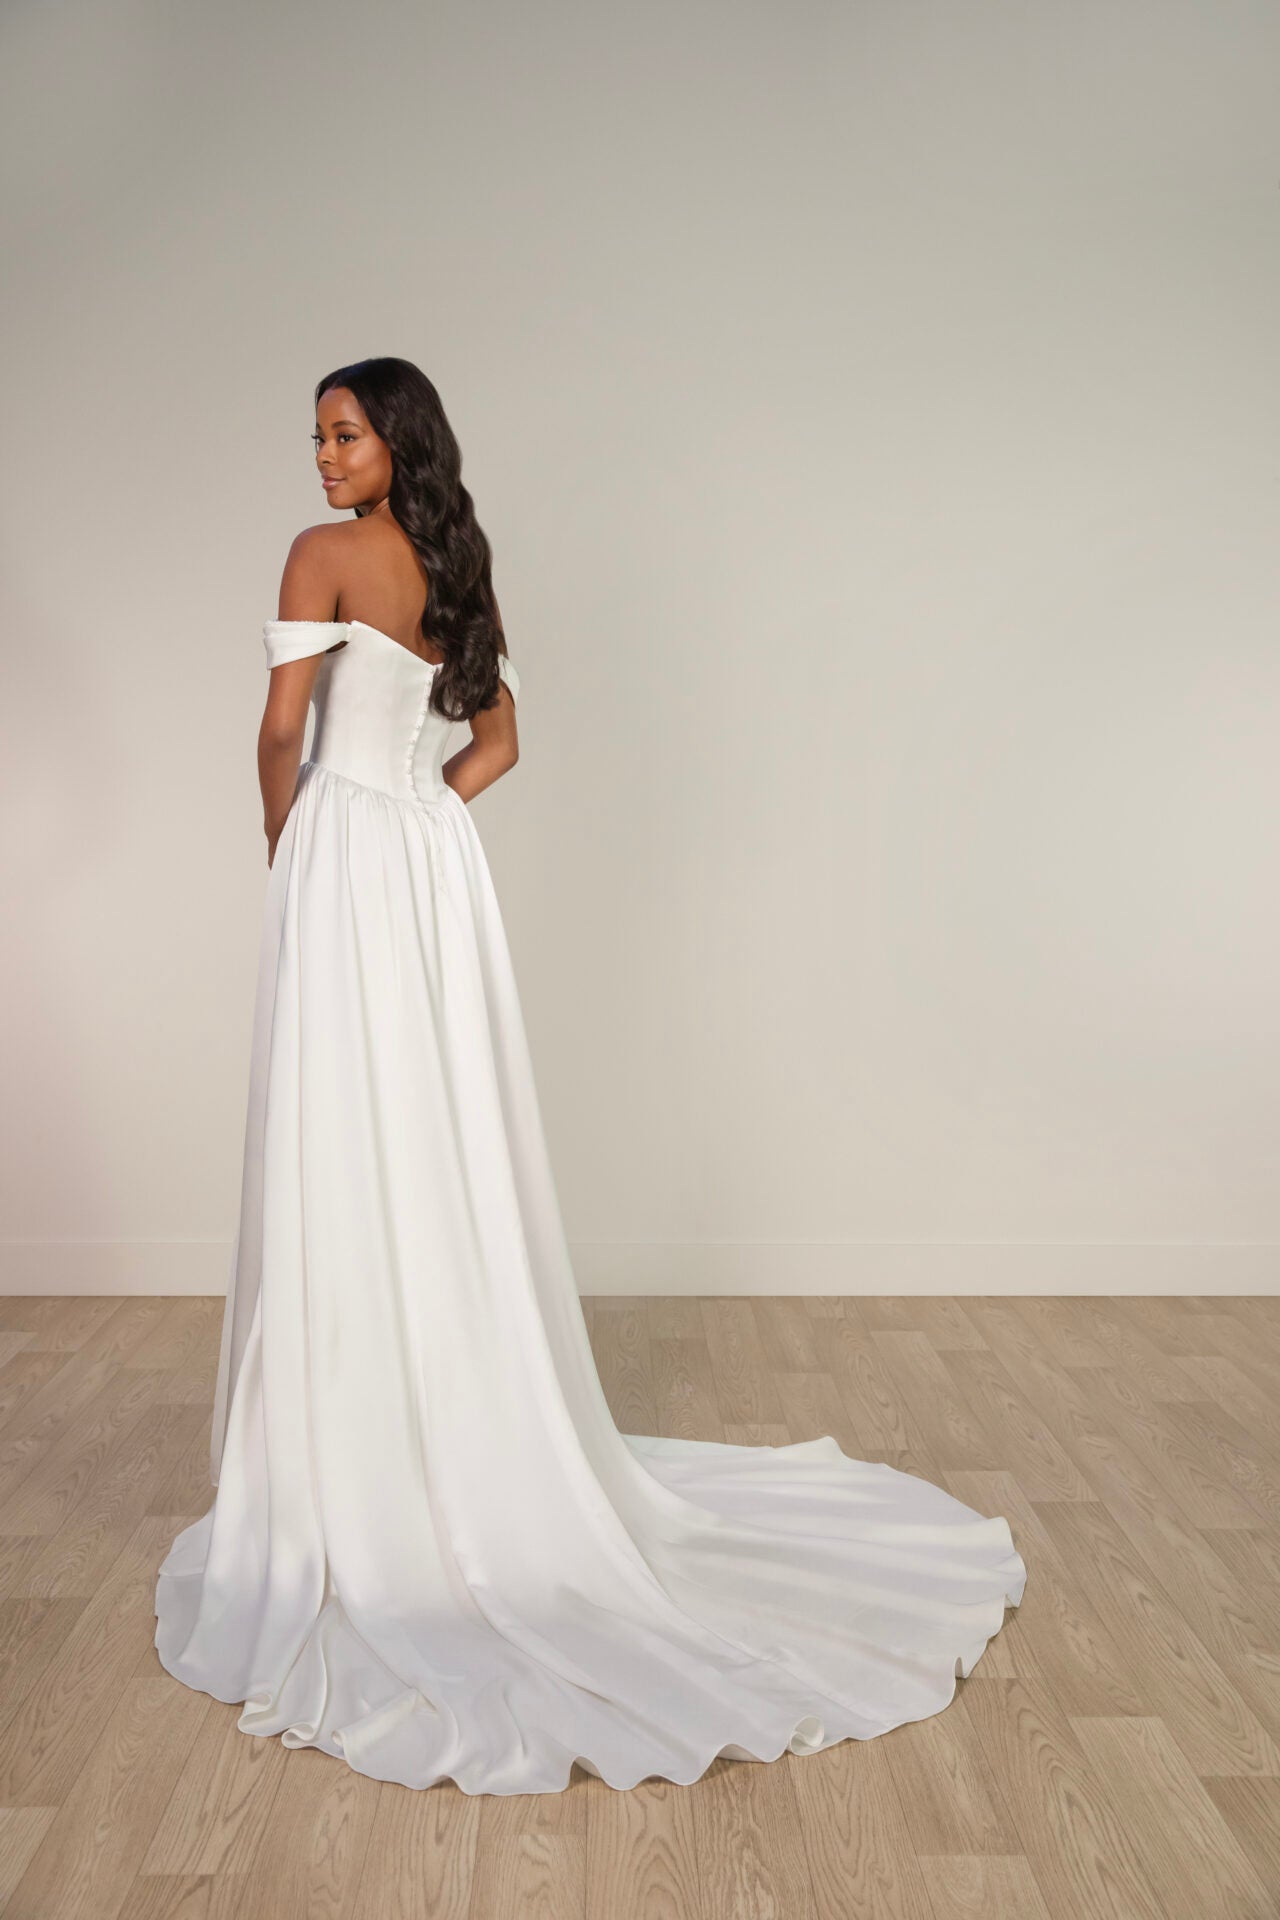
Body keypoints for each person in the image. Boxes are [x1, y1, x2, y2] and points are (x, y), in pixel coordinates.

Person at [153, 355, 1026, 1796]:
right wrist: (419, 815)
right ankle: (445, 1420)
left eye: (345, 433)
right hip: (429, 868)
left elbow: (278, 732)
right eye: (314, 437)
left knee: (341, 1125)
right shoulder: (456, 566)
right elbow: (498, 743)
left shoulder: (322, 554)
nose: (322, 456)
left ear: (397, 440)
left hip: (345, 859)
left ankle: (351, 1442)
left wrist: (288, 839)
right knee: (429, 1128)